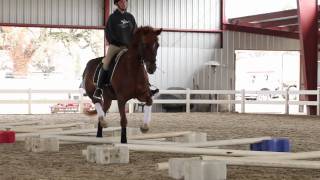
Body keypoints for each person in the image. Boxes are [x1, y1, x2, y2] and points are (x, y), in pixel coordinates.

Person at [93, 0, 158, 100]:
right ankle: (99, 89)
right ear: (117, 4)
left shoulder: (130, 17)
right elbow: (109, 33)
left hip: (129, 47)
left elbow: (135, 32)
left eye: (125, 2)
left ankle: (147, 87)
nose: (124, 3)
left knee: (140, 61)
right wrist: (117, 42)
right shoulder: (112, 18)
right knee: (106, 63)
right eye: (121, 2)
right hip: (115, 46)